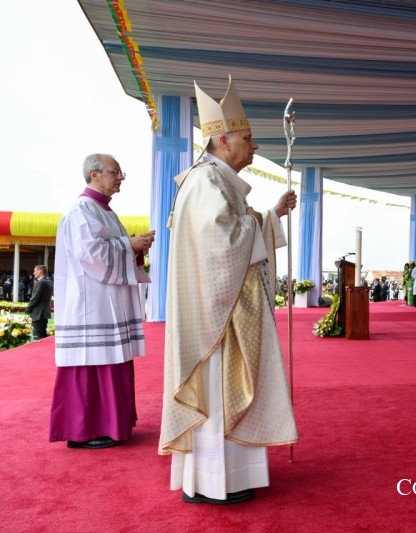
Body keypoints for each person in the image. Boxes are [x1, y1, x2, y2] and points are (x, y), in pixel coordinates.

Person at [160, 76, 298, 505]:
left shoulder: (216, 182)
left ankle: (230, 476)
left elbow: (234, 231)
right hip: (215, 320)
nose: (254, 146)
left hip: (227, 309)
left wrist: (269, 215)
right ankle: (214, 481)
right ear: (222, 142)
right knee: (218, 393)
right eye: (248, 138)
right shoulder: (205, 182)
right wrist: (262, 221)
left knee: (226, 393)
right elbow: (221, 241)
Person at [50, 153, 154, 450]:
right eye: (115, 172)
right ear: (94, 174)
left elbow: (107, 249)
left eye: (121, 172)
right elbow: (91, 254)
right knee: (91, 364)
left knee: (112, 361)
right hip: (89, 305)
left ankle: (110, 424)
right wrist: (128, 244)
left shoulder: (104, 211)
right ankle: (83, 430)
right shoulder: (82, 210)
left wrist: (134, 247)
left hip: (105, 302)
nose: (120, 177)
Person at [25, 264, 53, 340]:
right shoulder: (49, 281)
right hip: (44, 313)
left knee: (38, 337)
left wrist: (27, 310)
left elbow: (35, 298)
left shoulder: (41, 282)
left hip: (38, 313)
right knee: (43, 335)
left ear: (40, 271)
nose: (33, 273)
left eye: (35, 271)